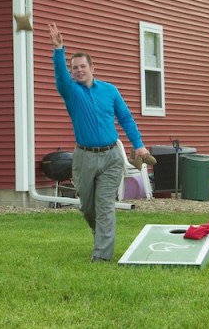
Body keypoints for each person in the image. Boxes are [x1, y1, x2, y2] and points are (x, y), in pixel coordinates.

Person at [48, 23, 149, 263]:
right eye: (75, 68)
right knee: (87, 207)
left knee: (105, 205)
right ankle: (102, 233)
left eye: (83, 66)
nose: (79, 71)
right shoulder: (71, 92)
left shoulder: (110, 90)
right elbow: (60, 76)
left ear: (93, 67)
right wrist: (58, 49)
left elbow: (125, 117)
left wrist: (138, 144)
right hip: (84, 157)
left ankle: (101, 256)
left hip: (111, 156)